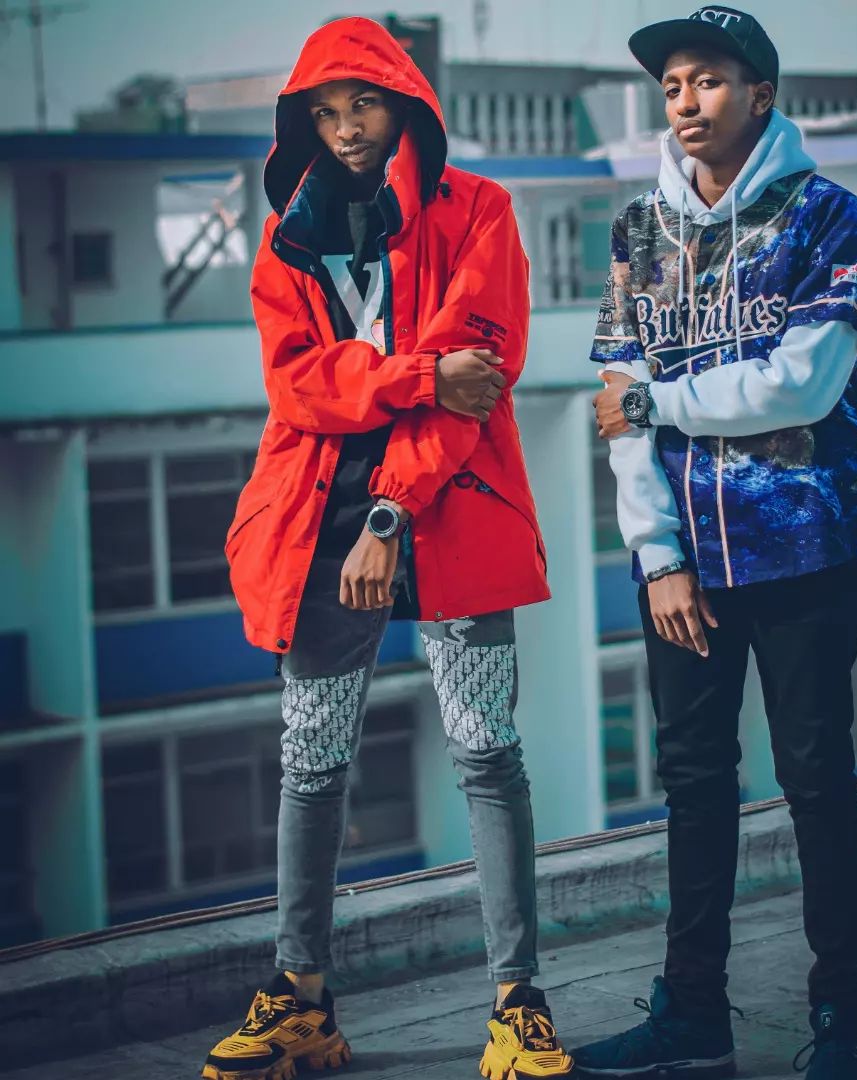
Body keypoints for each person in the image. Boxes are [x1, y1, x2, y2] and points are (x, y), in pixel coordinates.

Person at [203, 17, 573, 1080]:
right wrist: (411, 374)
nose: (347, 127)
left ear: (404, 103)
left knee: (486, 751)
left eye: (362, 103)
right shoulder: (289, 239)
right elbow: (297, 386)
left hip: (445, 505)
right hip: (316, 518)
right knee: (312, 760)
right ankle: (301, 1001)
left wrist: (390, 511)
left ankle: (517, 1004)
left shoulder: (479, 211)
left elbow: (478, 376)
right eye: (324, 113)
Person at [574, 6, 857, 1080]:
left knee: (816, 779)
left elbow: (804, 384)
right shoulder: (636, 233)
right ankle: (692, 1011)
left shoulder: (828, 217)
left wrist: (657, 402)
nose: (686, 101)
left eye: (707, 79)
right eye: (671, 86)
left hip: (803, 553)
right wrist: (657, 557)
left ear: (760, 93)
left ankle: (842, 1011)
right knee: (695, 786)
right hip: (685, 573)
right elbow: (615, 406)